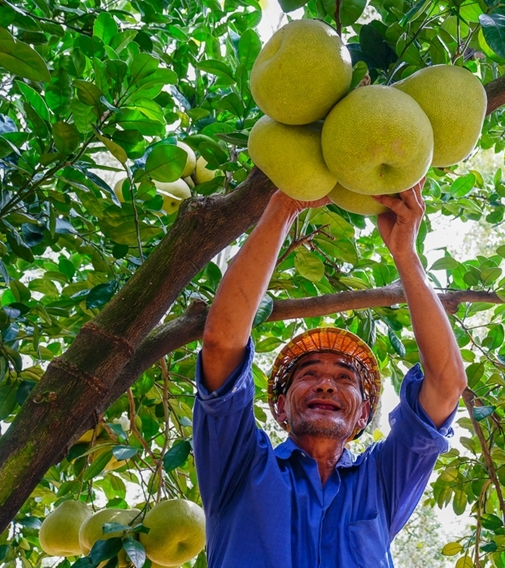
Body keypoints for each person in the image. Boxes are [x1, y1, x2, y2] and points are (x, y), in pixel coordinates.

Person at [192, 179, 467, 568]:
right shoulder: (239, 468)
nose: (325, 383)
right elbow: (221, 343)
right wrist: (284, 205)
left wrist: (406, 254)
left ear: (361, 415)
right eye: (307, 374)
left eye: (344, 378)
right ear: (281, 409)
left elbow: (447, 384)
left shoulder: (380, 483)